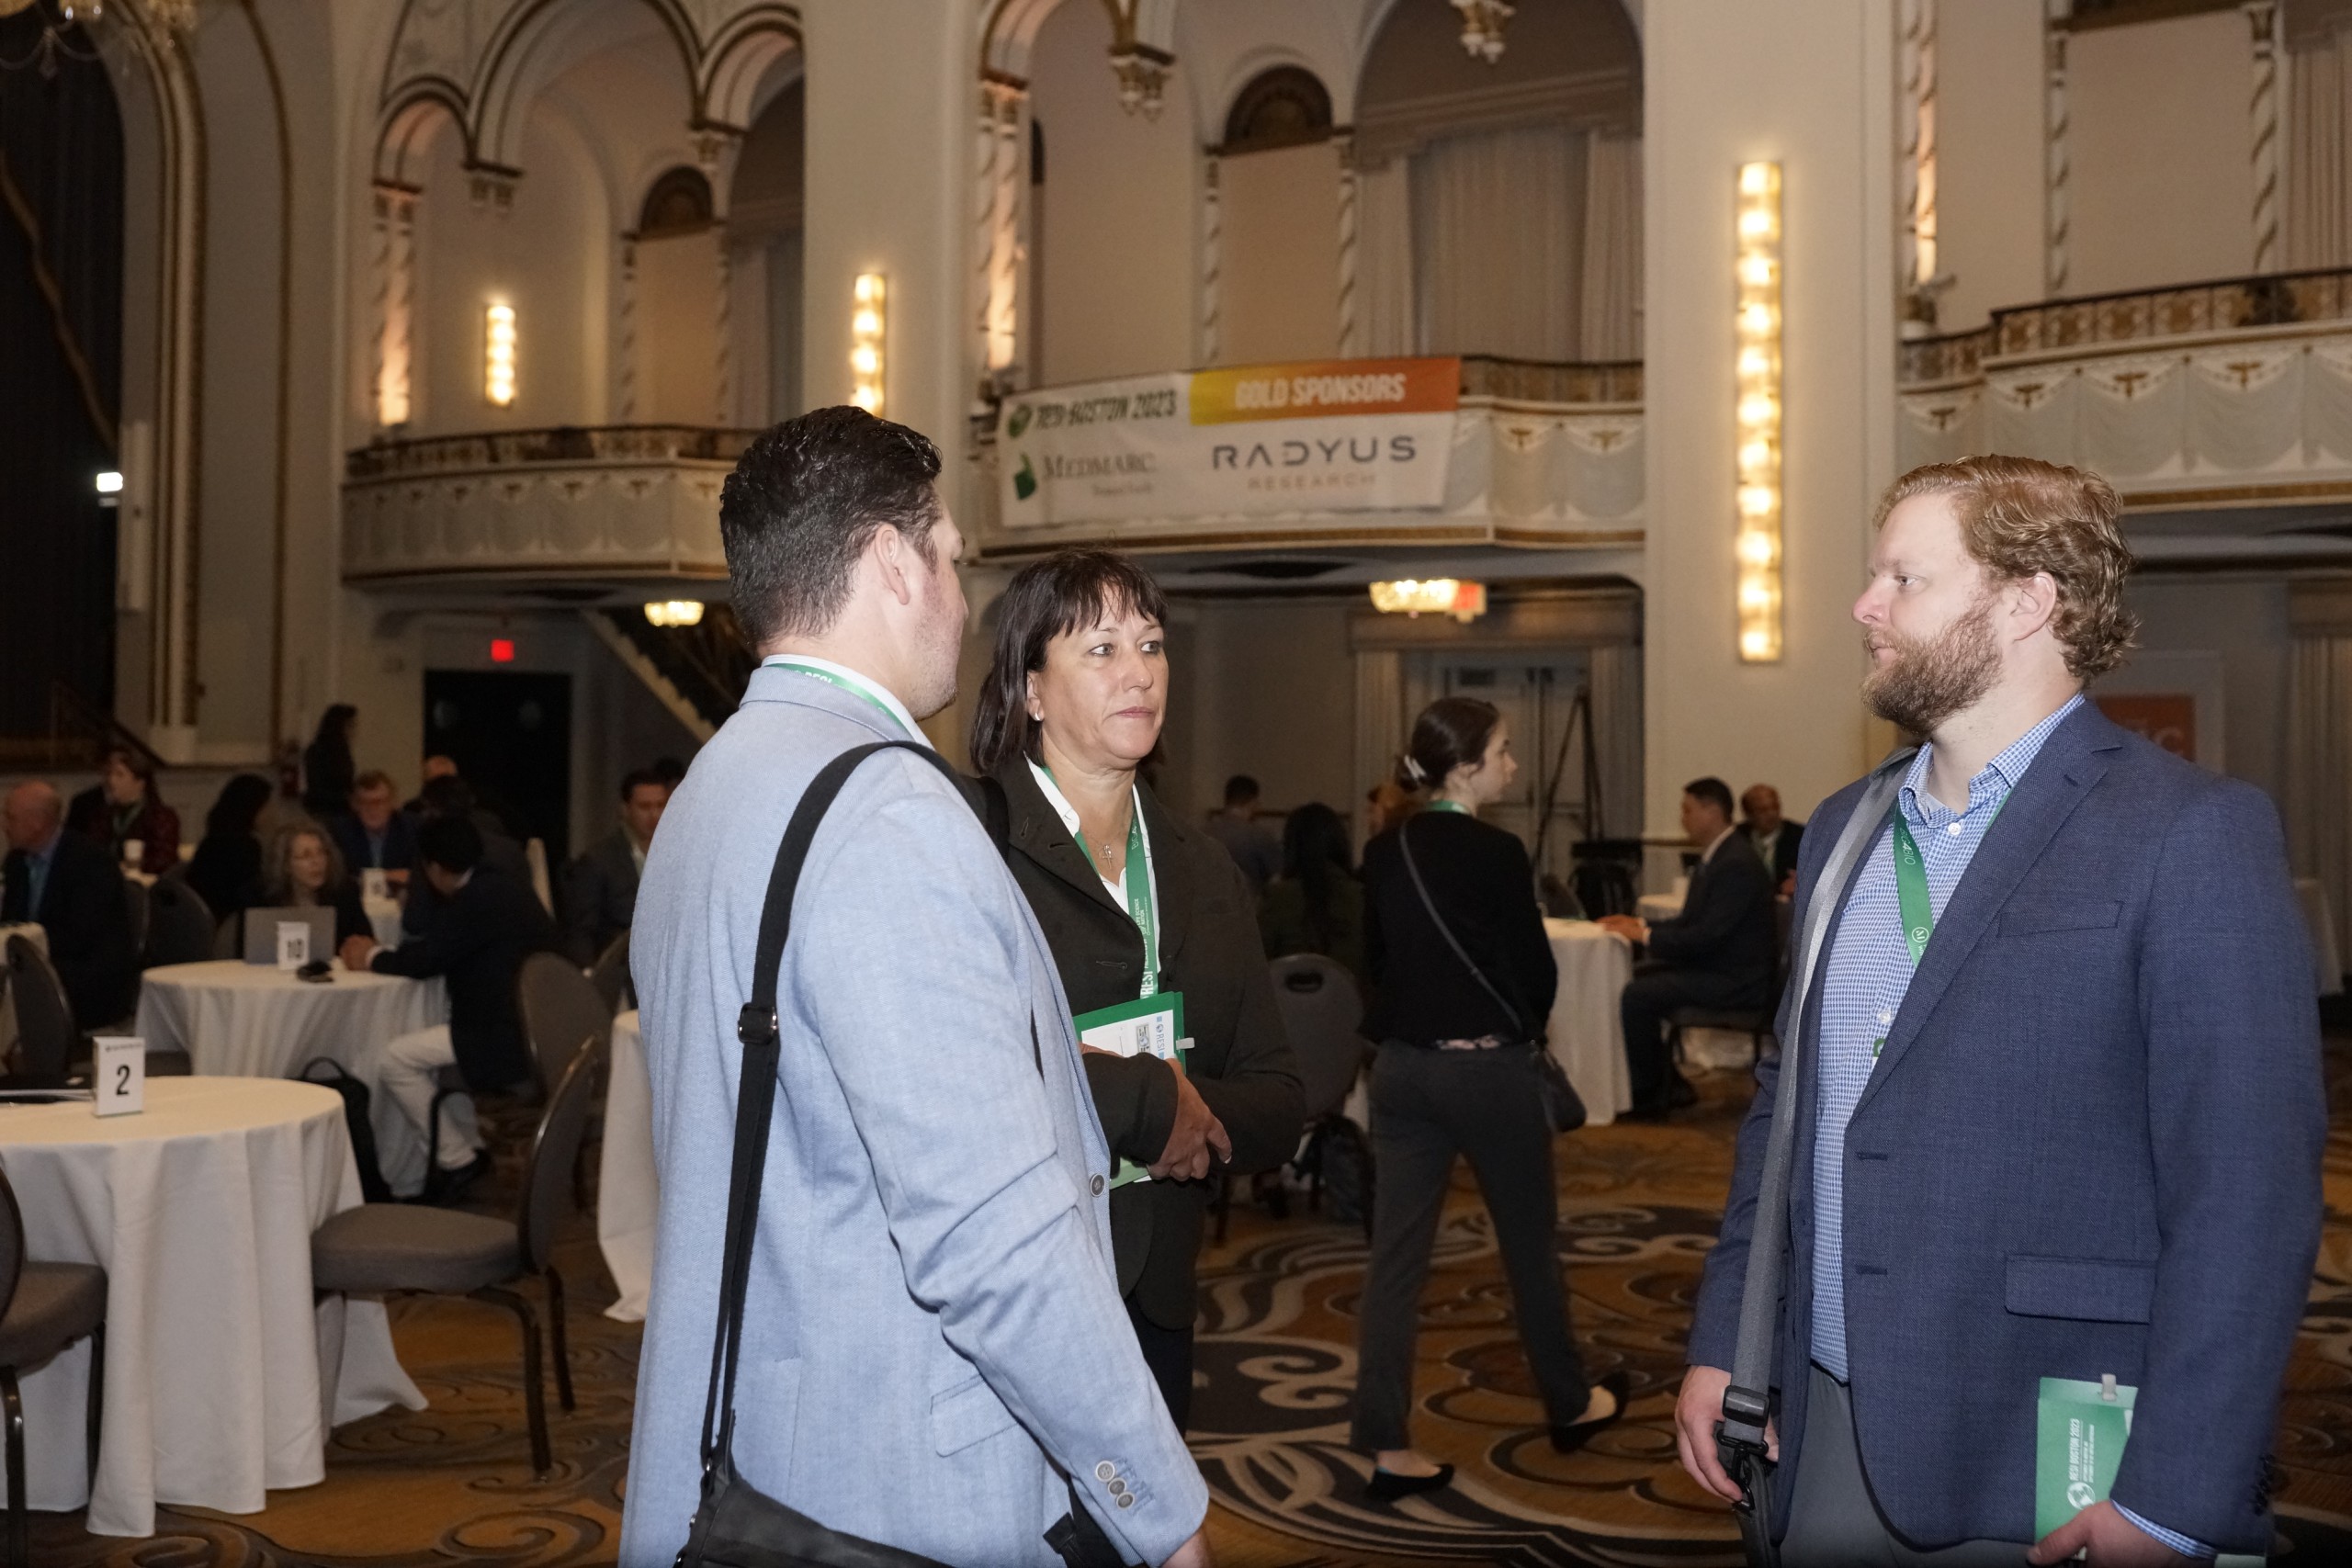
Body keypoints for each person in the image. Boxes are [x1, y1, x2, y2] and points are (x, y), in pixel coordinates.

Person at [1676, 456, 2324, 1563]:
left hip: (2047, 1429)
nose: (1863, 605)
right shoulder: (1841, 829)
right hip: (1817, 1411)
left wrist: (2173, 1499)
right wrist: (1728, 1341)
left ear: (2027, 601)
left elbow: (2245, 1194)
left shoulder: (2187, 831)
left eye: (1904, 578)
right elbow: (1782, 1113)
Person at [619, 407, 1213, 1568]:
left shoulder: (710, 787)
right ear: (894, 561)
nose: (958, 590)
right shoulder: (887, 812)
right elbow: (990, 1234)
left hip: (756, 1431)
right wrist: (1158, 1507)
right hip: (892, 1474)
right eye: (949, 554)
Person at [968, 547, 1305, 1431]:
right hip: (1009, 1288)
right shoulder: (972, 843)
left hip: (1157, 1291)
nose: (1140, 673)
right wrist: (1149, 1104)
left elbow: (1278, 1100)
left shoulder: (1204, 868)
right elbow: (954, 1067)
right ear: (1032, 689)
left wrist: (1189, 1117)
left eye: (1151, 645)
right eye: (1102, 649)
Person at [1351, 697, 1625, 1498]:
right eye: (1503, 750)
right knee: (1528, 1248)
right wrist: (1514, 1026)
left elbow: (1374, 962)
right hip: (1487, 1075)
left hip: (1402, 1073)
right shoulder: (1499, 852)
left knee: (1394, 1262)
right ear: (1466, 766)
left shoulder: (1384, 849)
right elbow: (1535, 975)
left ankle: (1386, 1444)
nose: (1513, 764)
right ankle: (1569, 1403)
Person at [340, 814, 557, 1201]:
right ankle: (467, 1148)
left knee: (394, 1060)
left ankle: (457, 1160)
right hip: (531, 1023)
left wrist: (370, 956)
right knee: (429, 1053)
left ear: (434, 868)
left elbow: (427, 959)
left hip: (502, 1034)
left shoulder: (475, 899)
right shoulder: (502, 885)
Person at [1598, 777, 1777, 1122]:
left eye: (1688, 810)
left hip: (1737, 980)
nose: (1683, 818)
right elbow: (1690, 924)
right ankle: (1669, 1084)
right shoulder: (1720, 856)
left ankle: (1650, 1093)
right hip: (1719, 968)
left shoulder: (1735, 863)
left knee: (1638, 995)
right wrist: (1640, 925)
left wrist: (1643, 936)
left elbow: (1706, 937)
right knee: (1637, 977)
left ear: (1712, 812)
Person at [2, 781, 138, 1027]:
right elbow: (10, 921)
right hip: (37, 960)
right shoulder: (17, 862)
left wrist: (28, 952)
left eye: (11, 818)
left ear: (37, 822)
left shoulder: (90, 863)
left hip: (85, 974)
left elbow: (79, 936)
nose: (5, 826)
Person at [560, 768, 667, 964]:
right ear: (625, 809)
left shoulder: (678, 855)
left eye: (660, 806)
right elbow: (582, 931)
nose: (654, 815)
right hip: (621, 966)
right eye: (644, 807)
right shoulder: (599, 860)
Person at [1258, 801, 1366, 983]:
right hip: (1350, 998)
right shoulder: (1362, 897)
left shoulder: (1277, 897)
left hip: (1286, 998)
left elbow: (1257, 958)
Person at [243, 818, 370, 949]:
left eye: (321, 853)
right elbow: (247, 951)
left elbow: (367, 944)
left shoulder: (345, 894)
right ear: (286, 865)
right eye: (306, 855)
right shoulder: (260, 898)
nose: (317, 862)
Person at [66, 747, 181, 875]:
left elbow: (163, 860)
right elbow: (90, 850)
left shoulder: (160, 817)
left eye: (119, 775)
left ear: (140, 782)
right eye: (109, 774)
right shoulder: (103, 814)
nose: (111, 780)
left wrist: (129, 866)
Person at [185, 773, 275, 924]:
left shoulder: (211, 842)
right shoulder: (245, 847)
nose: (271, 814)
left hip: (201, 920)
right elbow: (249, 897)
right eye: (267, 807)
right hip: (229, 923)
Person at [330, 770, 418, 889]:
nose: (372, 809)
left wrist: (369, 877)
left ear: (392, 803)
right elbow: (340, 877)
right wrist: (387, 876)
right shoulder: (340, 831)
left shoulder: (411, 828)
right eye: (364, 802)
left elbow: (418, 875)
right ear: (355, 805)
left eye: (378, 802)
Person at [1204, 773, 1281, 894]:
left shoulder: (1204, 832)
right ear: (1252, 802)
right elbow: (1276, 878)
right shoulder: (1259, 835)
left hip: (1211, 899)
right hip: (1249, 900)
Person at [1740, 782, 1804, 894]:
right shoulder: (1739, 838)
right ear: (1749, 814)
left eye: (1775, 807)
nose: (1772, 814)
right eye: (1762, 810)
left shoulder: (1798, 836)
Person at [302, 704, 358, 820]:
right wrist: (347, 798)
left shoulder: (343, 752)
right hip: (326, 811)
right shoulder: (317, 751)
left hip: (340, 810)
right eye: (350, 725)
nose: (353, 731)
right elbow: (317, 788)